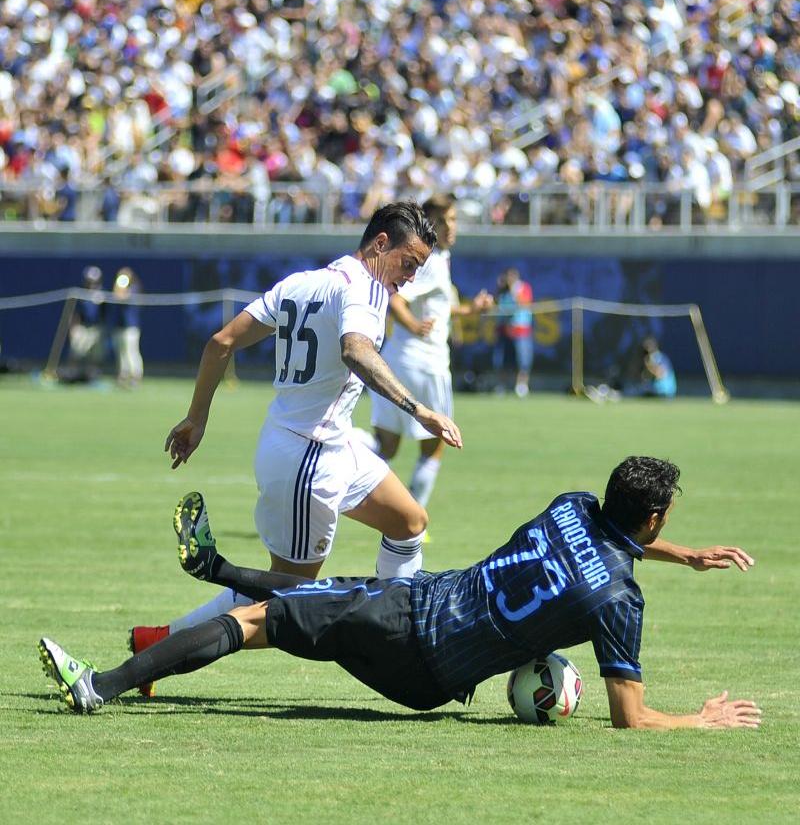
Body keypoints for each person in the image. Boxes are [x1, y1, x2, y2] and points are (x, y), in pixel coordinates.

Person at [39, 456, 761, 729]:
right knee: (294, 606)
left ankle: (99, 686)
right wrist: (698, 718)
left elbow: (604, 535)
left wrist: (675, 551)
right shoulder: (620, 599)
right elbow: (629, 715)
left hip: (418, 616)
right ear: (656, 520)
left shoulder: (570, 504)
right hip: (432, 673)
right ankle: (218, 570)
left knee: (262, 620)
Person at [130, 202, 462, 694]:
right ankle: (158, 645)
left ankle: (403, 635)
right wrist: (420, 410)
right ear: (381, 244)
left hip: (329, 442)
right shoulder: (367, 291)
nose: (410, 279)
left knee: (409, 522)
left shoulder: (302, 282)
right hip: (310, 456)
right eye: (408, 263)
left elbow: (220, 342)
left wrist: (196, 418)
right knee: (284, 602)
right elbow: (356, 349)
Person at [359, 194, 492, 514]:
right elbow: (397, 300)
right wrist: (414, 325)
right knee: (433, 448)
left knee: (386, 447)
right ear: (430, 223)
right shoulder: (429, 260)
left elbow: (434, 306)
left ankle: (343, 457)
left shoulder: (434, 260)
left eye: (454, 220)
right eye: (445, 221)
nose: (451, 227)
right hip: (426, 363)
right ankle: (413, 520)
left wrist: (468, 309)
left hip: (394, 360)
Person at [492, 268, 534, 397]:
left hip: (520, 330)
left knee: (523, 359)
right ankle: (501, 385)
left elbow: (524, 304)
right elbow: (496, 304)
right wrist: (500, 289)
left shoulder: (523, 288)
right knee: (501, 360)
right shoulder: (502, 290)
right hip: (504, 330)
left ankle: (521, 385)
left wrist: (513, 290)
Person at [62, 265, 106, 384]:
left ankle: (91, 376)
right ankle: (71, 374)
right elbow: (75, 312)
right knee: (76, 352)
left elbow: (105, 313)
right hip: (82, 326)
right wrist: (73, 328)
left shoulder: (102, 293)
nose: (92, 283)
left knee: (95, 354)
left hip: (96, 328)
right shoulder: (80, 292)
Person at [108, 268, 144, 387]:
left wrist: (120, 287)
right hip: (119, 326)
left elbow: (122, 296)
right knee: (121, 353)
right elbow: (116, 295)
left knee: (131, 352)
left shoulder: (134, 288)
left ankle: (136, 376)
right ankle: (123, 375)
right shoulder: (119, 286)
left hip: (131, 327)